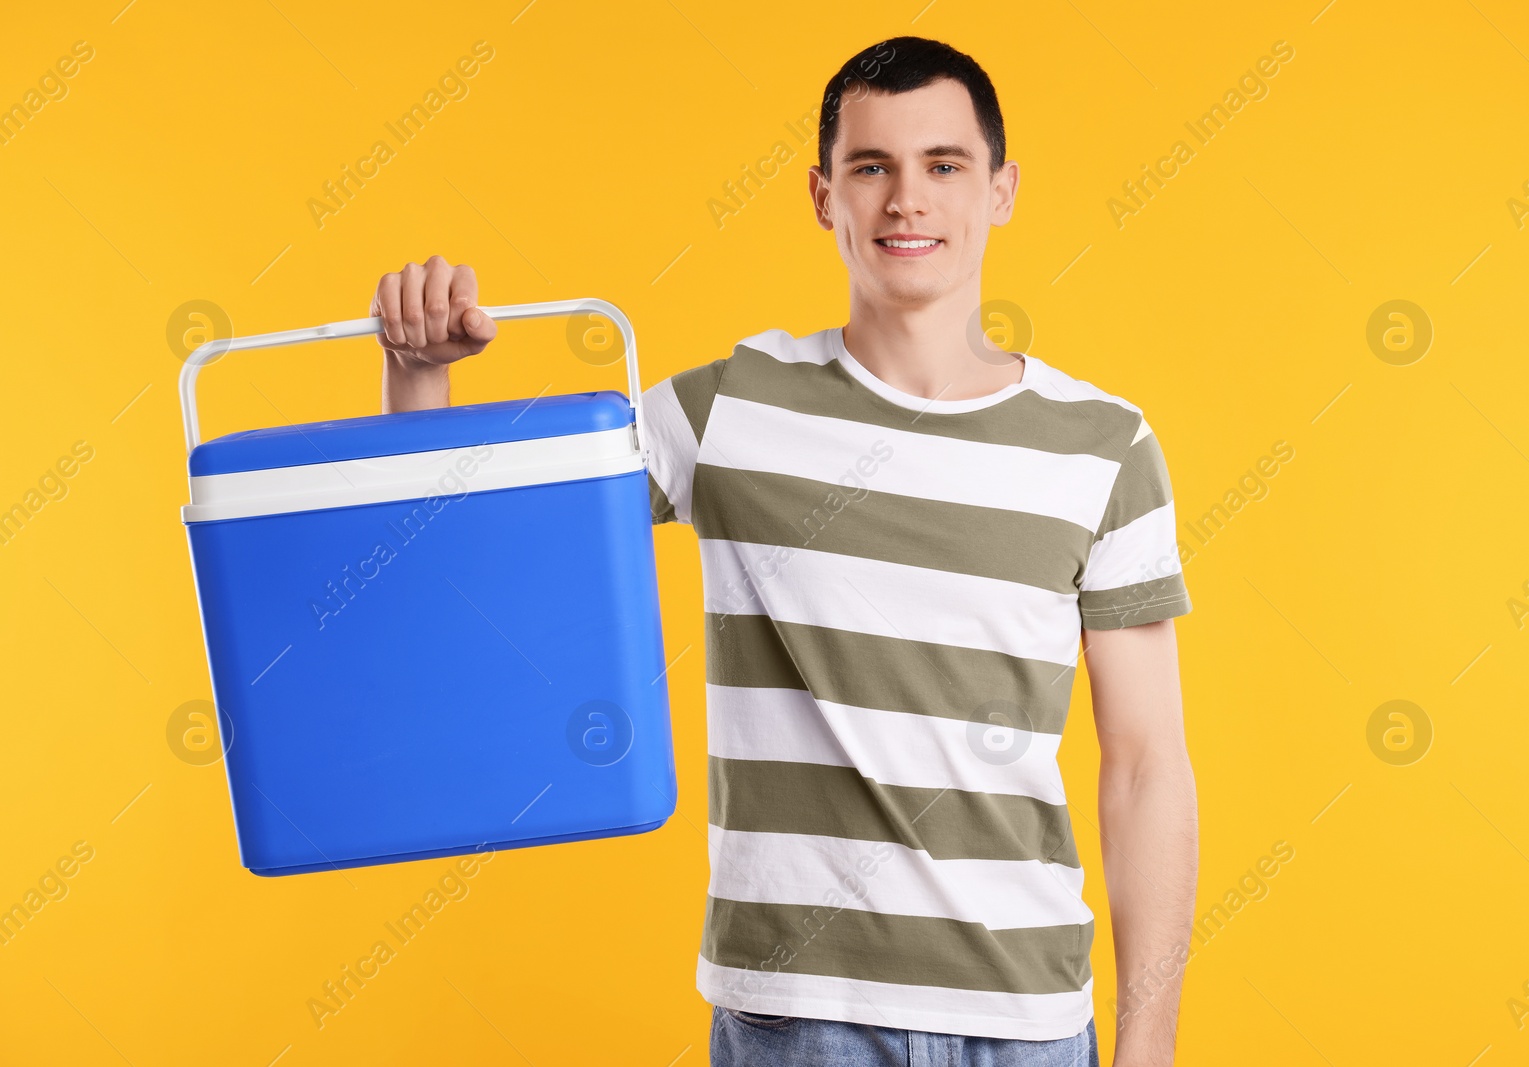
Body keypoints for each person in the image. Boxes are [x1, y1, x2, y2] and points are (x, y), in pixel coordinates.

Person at [372, 35, 1197, 1067]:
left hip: (1026, 1021)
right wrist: (418, 378)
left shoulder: (1104, 444)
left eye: (944, 165)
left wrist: (1149, 1041)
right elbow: (465, 565)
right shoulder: (728, 408)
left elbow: (1147, 764)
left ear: (1001, 190)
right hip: (795, 1018)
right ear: (822, 195)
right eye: (871, 167)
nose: (907, 200)